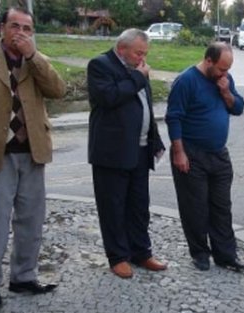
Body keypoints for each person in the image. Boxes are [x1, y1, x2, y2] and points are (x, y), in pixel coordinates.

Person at [0, 7, 66, 313]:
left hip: (33, 153)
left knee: (30, 222)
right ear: (2, 27)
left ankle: (23, 277)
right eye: (15, 26)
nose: (21, 32)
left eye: (27, 28)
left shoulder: (35, 61)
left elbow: (58, 90)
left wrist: (34, 57)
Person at [87, 28, 168, 279]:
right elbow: (109, 97)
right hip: (111, 154)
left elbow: (144, 107)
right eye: (138, 53)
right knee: (113, 207)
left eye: (145, 53)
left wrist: (155, 139)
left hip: (140, 152)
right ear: (122, 49)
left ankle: (141, 252)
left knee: (138, 207)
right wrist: (138, 78)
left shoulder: (138, 70)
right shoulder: (100, 65)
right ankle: (118, 257)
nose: (142, 58)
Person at [165, 42, 244, 272]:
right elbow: (173, 118)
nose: (225, 74)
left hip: (218, 153)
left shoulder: (225, 81)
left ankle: (225, 255)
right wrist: (179, 152)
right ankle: (200, 253)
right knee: (195, 207)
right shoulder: (186, 81)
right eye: (221, 69)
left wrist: (226, 92)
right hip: (191, 153)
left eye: (228, 69)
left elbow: (238, 108)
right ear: (208, 61)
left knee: (222, 207)